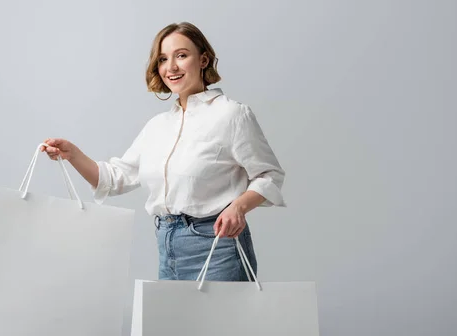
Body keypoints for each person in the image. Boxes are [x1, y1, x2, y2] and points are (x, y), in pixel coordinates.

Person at [41, 22, 285, 281]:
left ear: (203, 60)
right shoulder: (157, 127)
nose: (171, 67)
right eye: (163, 59)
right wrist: (72, 154)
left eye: (181, 55)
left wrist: (238, 207)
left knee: (223, 323)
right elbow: (113, 179)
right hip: (167, 246)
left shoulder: (231, 114)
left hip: (217, 246)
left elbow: (269, 175)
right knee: (174, 323)